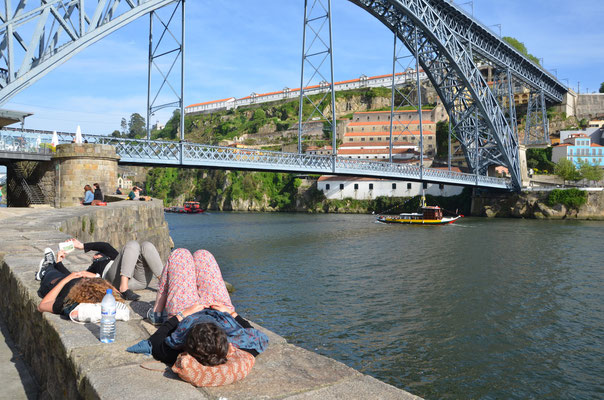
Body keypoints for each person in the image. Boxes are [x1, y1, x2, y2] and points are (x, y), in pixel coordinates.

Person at [134, 248, 268, 366]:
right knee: (203, 255)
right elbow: (257, 335)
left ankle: (157, 313)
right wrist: (232, 314)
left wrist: (182, 315)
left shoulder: (173, 351)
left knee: (181, 254)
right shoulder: (238, 346)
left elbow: (155, 340)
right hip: (219, 309)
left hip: (186, 309)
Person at [64, 238, 164, 301]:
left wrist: (82, 246)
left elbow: (104, 246)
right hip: (113, 280)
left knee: (147, 245)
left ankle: (165, 283)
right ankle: (124, 289)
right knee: (132, 244)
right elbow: (80, 279)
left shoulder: (113, 256)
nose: (95, 256)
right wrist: (96, 276)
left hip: (139, 281)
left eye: (97, 254)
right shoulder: (93, 267)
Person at [35, 248, 124, 317]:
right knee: (73, 275)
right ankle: (58, 263)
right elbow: (115, 291)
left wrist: (66, 280)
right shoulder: (106, 297)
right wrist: (96, 276)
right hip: (71, 280)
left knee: (51, 272)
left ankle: (46, 268)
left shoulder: (69, 302)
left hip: (54, 283)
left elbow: (41, 306)